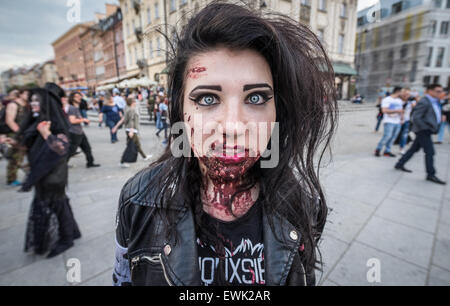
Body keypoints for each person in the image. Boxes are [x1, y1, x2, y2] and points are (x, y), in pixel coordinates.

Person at [113, 2, 337, 286]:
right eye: (208, 99)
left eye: (256, 98)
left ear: (277, 112)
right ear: (180, 110)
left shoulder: (303, 204)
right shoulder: (138, 201)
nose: (233, 127)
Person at [19, 84, 81, 258]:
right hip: (43, 173)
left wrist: (46, 133)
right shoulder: (36, 121)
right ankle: (72, 232)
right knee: (60, 204)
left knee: (57, 204)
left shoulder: (54, 123)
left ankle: (67, 238)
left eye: (36, 101)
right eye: (31, 101)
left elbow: (61, 148)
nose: (33, 104)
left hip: (54, 175)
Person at [395, 84, 446, 185]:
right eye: (437, 91)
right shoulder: (424, 101)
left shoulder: (435, 101)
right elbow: (416, 117)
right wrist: (425, 128)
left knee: (413, 149)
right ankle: (431, 174)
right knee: (430, 152)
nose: (440, 93)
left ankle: (399, 164)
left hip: (427, 130)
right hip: (424, 130)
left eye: (441, 91)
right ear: (429, 91)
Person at [112, 97, 152, 167]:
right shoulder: (132, 110)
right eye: (134, 102)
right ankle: (122, 161)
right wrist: (131, 131)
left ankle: (144, 157)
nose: (135, 103)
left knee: (137, 145)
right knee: (130, 146)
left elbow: (123, 119)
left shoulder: (128, 109)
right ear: (132, 103)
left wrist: (116, 127)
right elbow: (131, 120)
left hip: (130, 130)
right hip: (132, 130)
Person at [65, 92, 100, 168]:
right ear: (72, 98)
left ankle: (90, 163)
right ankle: (61, 164)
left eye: (79, 96)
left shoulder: (76, 107)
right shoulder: (72, 108)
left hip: (79, 131)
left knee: (87, 148)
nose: (79, 98)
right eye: (77, 97)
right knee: (71, 150)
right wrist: (83, 120)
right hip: (74, 132)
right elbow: (72, 120)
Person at [5, 89, 30, 186]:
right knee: (16, 157)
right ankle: (11, 179)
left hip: (25, 134)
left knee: (29, 154)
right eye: (27, 93)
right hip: (15, 135)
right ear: (21, 94)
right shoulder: (13, 105)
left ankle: (30, 173)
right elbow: (9, 121)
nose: (28, 96)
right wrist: (20, 133)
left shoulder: (27, 105)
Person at [374, 87, 405, 157]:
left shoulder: (399, 101)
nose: (403, 94)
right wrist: (397, 111)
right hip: (389, 121)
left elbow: (401, 110)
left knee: (393, 137)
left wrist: (402, 119)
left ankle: (387, 151)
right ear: (398, 92)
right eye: (402, 92)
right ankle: (378, 149)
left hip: (398, 122)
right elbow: (384, 110)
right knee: (387, 136)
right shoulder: (387, 99)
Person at [398, 90, 416, 154]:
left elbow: (415, 106)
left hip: (406, 120)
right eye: (404, 94)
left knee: (404, 135)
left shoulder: (411, 101)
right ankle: (387, 149)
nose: (406, 95)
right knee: (393, 135)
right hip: (397, 121)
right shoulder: (398, 100)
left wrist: (412, 99)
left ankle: (401, 148)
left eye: (408, 94)